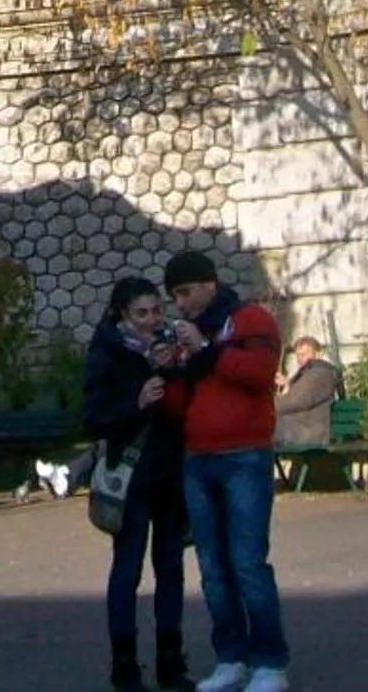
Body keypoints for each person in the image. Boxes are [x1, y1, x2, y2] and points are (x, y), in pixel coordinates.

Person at [156, 248, 289, 692]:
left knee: (248, 562)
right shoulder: (191, 337)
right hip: (198, 458)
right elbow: (180, 406)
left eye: (185, 292)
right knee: (213, 567)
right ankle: (231, 657)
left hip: (244, 454)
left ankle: (270, 662)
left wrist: (207, 349)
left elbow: (259, 372)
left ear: (209, 284)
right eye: (174, 296)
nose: (180, 304)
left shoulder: (250, 320)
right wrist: (170, 373)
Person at [83, 277, 192, 692]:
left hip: (169, 471)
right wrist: (136, 402)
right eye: (142, 314)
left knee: (171, 568)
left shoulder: (169, 347)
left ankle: (171, 662)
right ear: (122, 315)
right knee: (127, 571)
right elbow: (93, 416)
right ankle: (125, 667)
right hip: (130, 479)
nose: (152, 321)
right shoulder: (107, 352)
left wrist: (177, 366)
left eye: (157, 311)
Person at [272, 337, 339, 453]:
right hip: (300, 429)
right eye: (298, 355)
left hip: (307, 433)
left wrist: (265, 406)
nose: (300, 359)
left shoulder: (319, 373)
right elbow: (300, 396)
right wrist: (287, 385)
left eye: (304, 354)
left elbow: (297, 400)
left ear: (317, 354)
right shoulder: (309, 373)